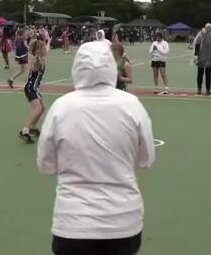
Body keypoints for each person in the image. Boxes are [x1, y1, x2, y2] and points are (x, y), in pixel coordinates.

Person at [36, 41, 154, 255]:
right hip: (123, 221)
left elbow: (46, 165)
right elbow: (146, 158)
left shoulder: (61, 107)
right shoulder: (132, 105)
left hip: (73, 223)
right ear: (111, 66)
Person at [18, 30, 51, 144]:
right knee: (37, 109)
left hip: (34, 88)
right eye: (42, 50)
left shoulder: (41, 58)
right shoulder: (36, 61)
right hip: (31, 88)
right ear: (38, 51)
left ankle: (32, 128)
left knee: (42, 108)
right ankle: (25, 130)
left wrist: (48, 40)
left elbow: (47, 48)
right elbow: (33, 67)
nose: (45, 51)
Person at [193, 24, 211, 95]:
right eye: (207, 28)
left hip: (209, 57)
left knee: (208, 75)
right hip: (201, 57)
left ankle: (208, 90)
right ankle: (199, 89)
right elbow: (197, 44)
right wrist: (196, 56)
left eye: (210, 28)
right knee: (200, 74)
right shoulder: (201, 34)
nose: (208, 29)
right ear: (205, 28)